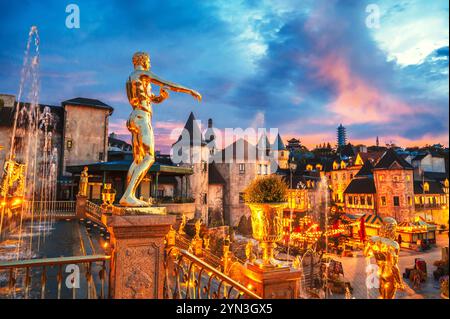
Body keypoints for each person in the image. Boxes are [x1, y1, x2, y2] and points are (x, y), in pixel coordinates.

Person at [119, 52, 201, 207]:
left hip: (134, 117)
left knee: (137, 161)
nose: (149, 64)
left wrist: (162, 97)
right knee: (149, 158)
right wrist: (190, 91)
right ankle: (128, 195)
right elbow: (168, 83)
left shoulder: (132, 78)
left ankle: (129, 197)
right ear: (143, 61)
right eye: (148, 61)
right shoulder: (142, 74)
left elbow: (152, 99)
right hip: (142, 117)